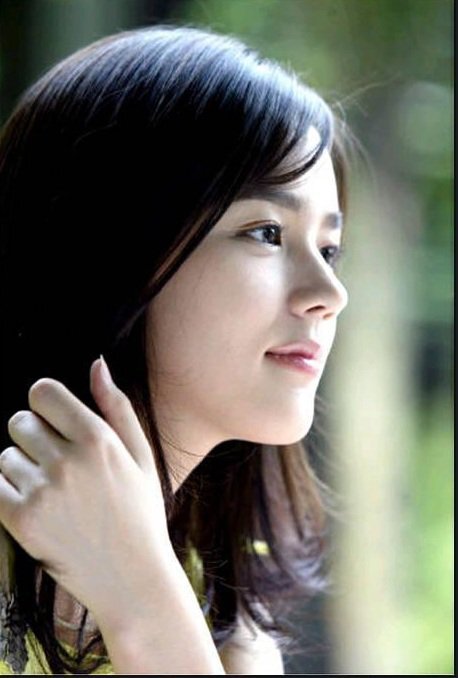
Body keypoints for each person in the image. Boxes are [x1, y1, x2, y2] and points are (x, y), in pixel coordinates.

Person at [0, 24, 349, 675]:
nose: (330, 294)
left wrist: (146, 600)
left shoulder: (228, 617)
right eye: (267, 232)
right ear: (113, 245)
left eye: (329, 250)